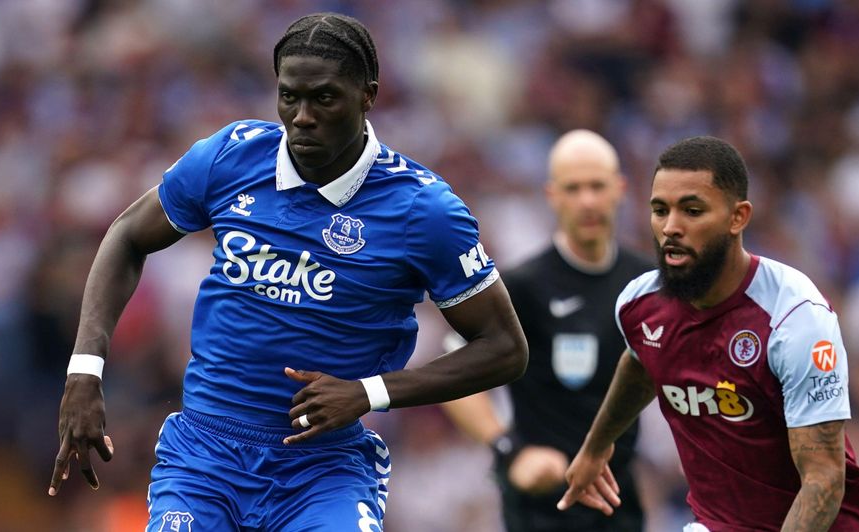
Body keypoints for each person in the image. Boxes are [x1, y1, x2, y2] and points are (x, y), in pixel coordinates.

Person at [47, 12, 528, 531]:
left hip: (324, 472)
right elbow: (126, 236)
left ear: (367, 95)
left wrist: (371, 391)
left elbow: (504, 347)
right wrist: (85, 370)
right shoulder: (230, 157)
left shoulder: (423, 210)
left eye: (323, 98)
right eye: (289, 97)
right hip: (205, 458)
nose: (301, 116)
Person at [557, 136, 859, 531]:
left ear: (738, 217)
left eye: (692, 210)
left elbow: (823, 481)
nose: (670, 227)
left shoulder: (794, 318)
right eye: (659, 210)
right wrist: (596, 448)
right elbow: (641, 363)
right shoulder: (639, 306)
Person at [442, 130, 652, 531]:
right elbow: (453, 366)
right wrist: (510, 451)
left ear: (620, 189)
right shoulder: (525, 285)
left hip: (618, 503)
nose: (587, 200)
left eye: (597, 186)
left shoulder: (644, 282)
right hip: (543, 507)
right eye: (573, 188)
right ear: (552, 195)